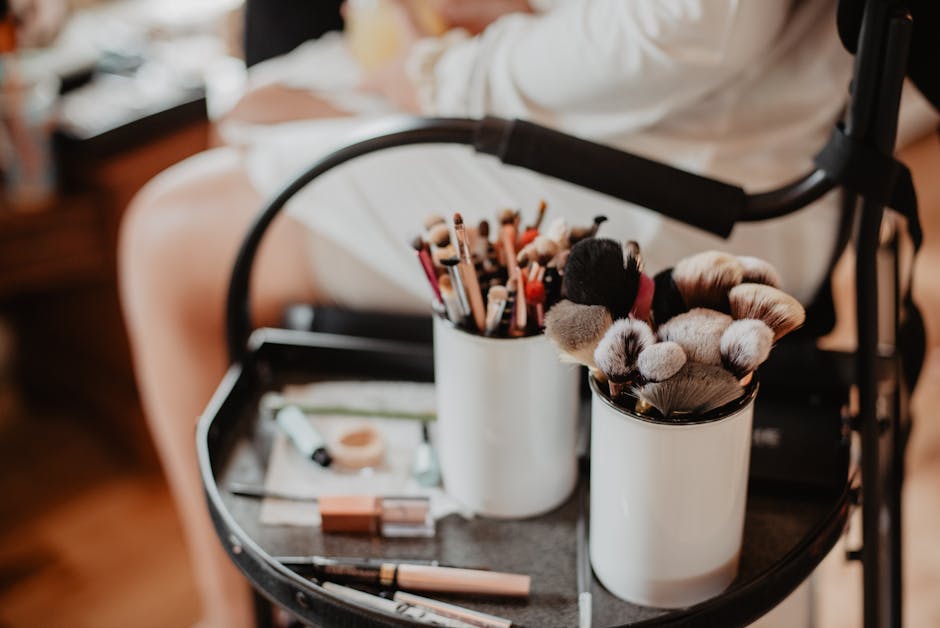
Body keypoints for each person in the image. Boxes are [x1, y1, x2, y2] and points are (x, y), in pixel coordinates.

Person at [118, 1, 858, 626]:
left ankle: (227, 615)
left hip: (684, 175)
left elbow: (697, 26)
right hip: (655, 118)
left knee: (168, 237)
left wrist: (442, 73)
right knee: (256, 103)